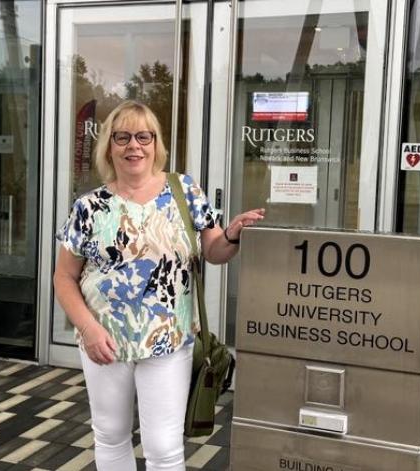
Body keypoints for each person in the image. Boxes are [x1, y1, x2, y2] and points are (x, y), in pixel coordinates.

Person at [54, 101, 265, 471]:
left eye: (142, 136)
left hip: (169, 338)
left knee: (165, 447)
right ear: (109, 146)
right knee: (110, 434)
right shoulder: (88, 207)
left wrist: (231, 233)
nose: (133, 146)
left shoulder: (183, 190)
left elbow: (214, 252)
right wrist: (87, 329)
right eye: (122, 137)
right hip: (104, 340)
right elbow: (64, 277)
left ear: (155, 144)